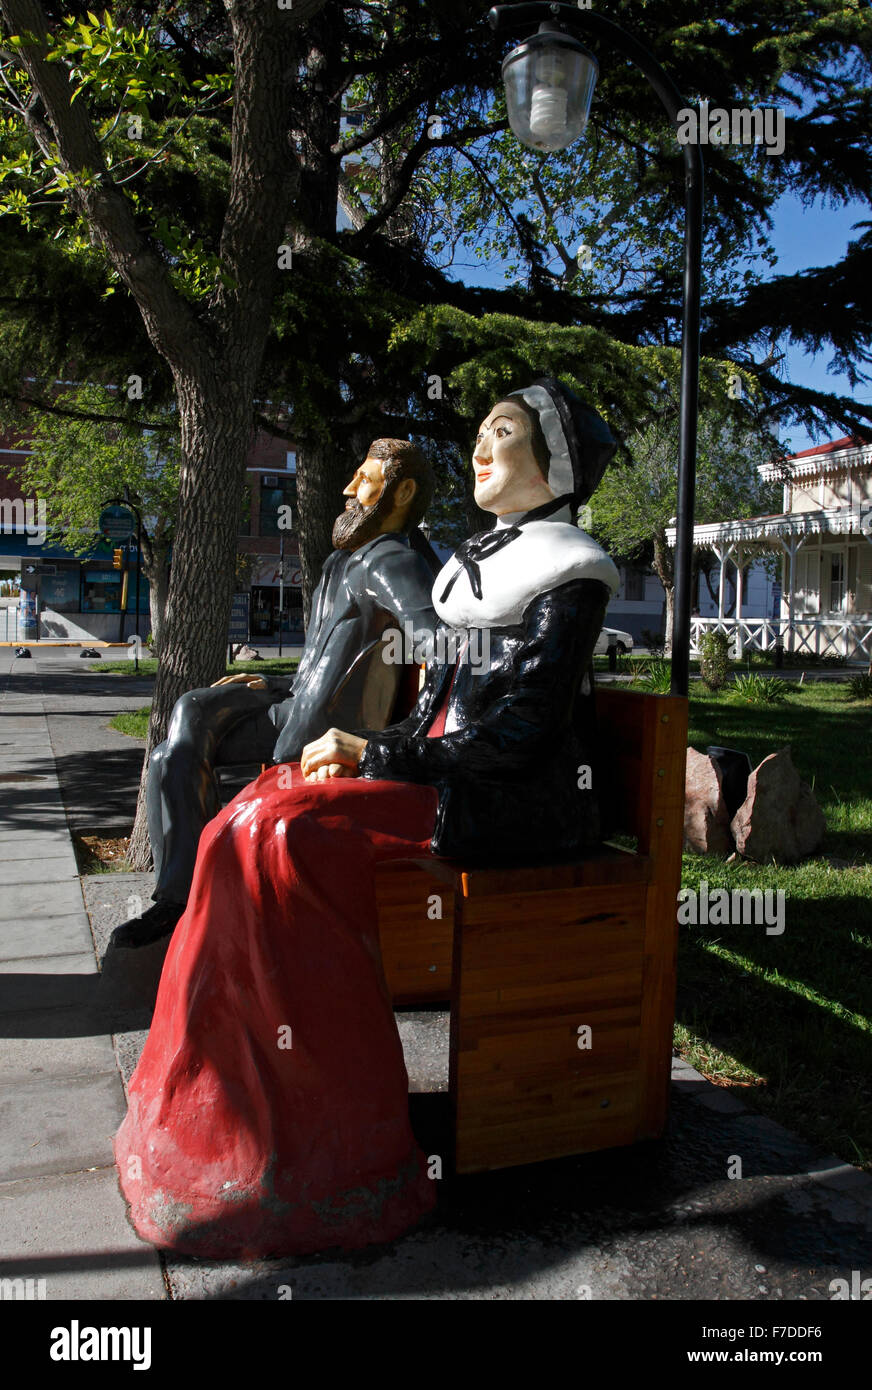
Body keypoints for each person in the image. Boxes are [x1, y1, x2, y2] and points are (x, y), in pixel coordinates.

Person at [114, 378, 621, 1259]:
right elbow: (441, 709)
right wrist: (380, 747)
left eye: (504, 431)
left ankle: (334, 1149)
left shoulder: (568, 573)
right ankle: (210, 1109)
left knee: (285, 839)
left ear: (555, 459)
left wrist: (378, 754)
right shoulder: (476, 565)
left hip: (513, 802)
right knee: (249, 814)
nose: (481, 446)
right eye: (479, 432)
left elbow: (522, 732)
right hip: (449, 777)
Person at [106, 439, 439, 956]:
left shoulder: (393, 561)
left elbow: (437, 644)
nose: (349, 490)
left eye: (364, 480)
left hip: (322, 729)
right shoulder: (341, 564)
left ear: (403, 492)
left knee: (182, 739)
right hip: (294, 702)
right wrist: (270, 683)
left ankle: (180, 900)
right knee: (189, 714)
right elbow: (324, 665)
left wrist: (394, 740)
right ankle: (178, 896)